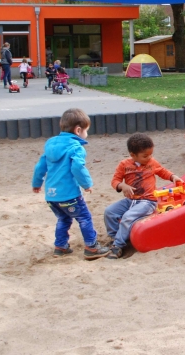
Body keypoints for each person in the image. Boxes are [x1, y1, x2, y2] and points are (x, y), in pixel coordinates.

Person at [31, 108, 111, 260]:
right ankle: (91, 247)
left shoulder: (50, 145)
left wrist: (37, 183)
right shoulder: (76, 148)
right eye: (86, 131)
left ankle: (60, 246)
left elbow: (40, 166)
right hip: (69, 195)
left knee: (63, 219)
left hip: (51, 196)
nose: (87, 134)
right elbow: (77, 167)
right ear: (78, 130)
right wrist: (87, 184)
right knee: (84, 218)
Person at [104, 133, 184, 259]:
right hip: (130, 200)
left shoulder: (152, 163)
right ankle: (115, 237)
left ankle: (118, 246)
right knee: (109, 212)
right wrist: (122, 186)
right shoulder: (124, 165)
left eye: (151, 154)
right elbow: (115, 181)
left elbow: (162, 171)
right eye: (145, 156)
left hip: (147, 201)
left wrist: (173, 176)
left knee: (128, 216)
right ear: (132, 155)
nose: (149, 157)